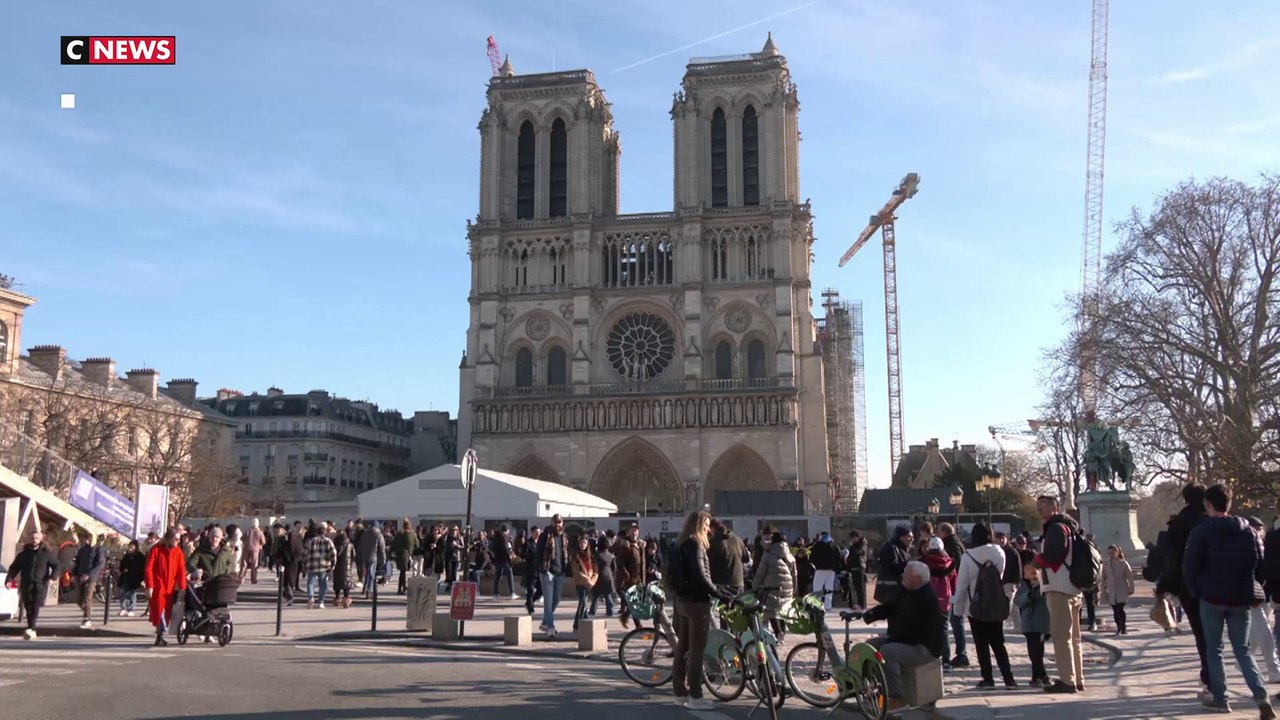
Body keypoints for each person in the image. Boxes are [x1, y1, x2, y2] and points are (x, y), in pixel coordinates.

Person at [1184, 484, 1275, 717]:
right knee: (1243, 650)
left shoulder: (1202, 531)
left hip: (1212, 597)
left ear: (1208, 504)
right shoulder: (1249, 531)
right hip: (1240, 597)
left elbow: (1190, 566)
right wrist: (1251, 585)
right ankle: (1261, 696)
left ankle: (1221, 697)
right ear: (1230, 503)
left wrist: (1197, 589)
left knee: (1214, 649)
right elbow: (1261, 565)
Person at [861, 561, 947, 713]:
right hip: (908, 640)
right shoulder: (910, 590)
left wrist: (892, 639)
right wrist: (870, 615)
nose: (902, 575)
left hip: (924, 647)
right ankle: (876, 689)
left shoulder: (925, 598)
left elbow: (912, 630)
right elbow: (891, 606)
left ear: (917, 578)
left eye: (906, 573)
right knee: (870, 645)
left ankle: (897, 698)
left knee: (888, 651)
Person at [671, 511, 735, 711]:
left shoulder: (682, 543)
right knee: (697, 649)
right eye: (706, 524)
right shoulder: (697, 545)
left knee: (683, 647)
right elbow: (700, 575)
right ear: (698, 525)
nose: (708, 528)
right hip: (698, 603)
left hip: (682, 601)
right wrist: (720, 594)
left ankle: (680, 693)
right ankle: (695, 696)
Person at [1157, 483, 1211, 696]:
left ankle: (1210, 679)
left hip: (1188, 585)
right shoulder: (1211, 520)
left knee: (1202, 634)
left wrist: (1164, 586)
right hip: (1217, 584)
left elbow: (1171, 558)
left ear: (1186, 499)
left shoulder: (1179, 523)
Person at [953, 523, 1015, 689]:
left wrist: (957, 609)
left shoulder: (968, 556)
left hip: (976, 604)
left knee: (981, 644)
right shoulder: (999, 552)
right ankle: (1009, 678)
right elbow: (999, 575)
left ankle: (988, 678)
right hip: (995, 602)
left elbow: (962, 585)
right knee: (998, 642)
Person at [1034, 495, 1085, 694]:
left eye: (1043, 504)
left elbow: (1054, 556)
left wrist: (1035, 563)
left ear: (1053, 507)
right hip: (1072, 587)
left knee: (1062, 637)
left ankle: (1067, 681)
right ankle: (1077, 678)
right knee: (1074, 638)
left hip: (1059, 587)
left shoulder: (1055, 528)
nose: (1039, 509)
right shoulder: (1070, 527)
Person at [6, 528, 59, 640]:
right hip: (26, 584)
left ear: (40, 539)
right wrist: (9, 579)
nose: (34, 540)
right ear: (29, 540)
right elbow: (13, 568)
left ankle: (32, 629)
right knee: (28, 607)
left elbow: (57, 566)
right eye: (33, 538)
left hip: (40, 584)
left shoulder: (46, 554)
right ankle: (31, 629)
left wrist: (52, 578)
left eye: (37, 538)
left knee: (35, 605)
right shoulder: (23, 555)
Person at [144, 528, 187, 647]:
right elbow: (149, 569)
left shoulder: (178, 552)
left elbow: (181, 571)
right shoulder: (156, 550)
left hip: (170, 587)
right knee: (159, 611)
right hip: (158, 586)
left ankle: (160, 635)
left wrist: (182, 588)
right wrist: (149, 585)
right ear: (169, 538)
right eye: (176, 539)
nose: (178, 541)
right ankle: (161, 633)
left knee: (166, 612)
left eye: (179, 539)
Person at [753, 531, 797, 642]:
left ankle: (778, 632)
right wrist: (794, 589)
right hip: (788, 588)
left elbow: (760, 573)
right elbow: (794, 574)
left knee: (771, 611)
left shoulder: (768, 554)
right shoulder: (790, 555)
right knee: (782, 610)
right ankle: (781, 633)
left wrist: (755, 586)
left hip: (772, 587)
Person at [1014, 559, 1052, 688]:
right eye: (1029, 571)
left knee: (1038, 651)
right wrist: (1029, 596)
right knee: (1033, 651)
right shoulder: (1023, 587)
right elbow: (1018, 601)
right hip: (1028, 623)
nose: (1032, 573)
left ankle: (1040, 676)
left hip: (1041, 622)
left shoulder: (1045, 585)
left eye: (1035, 570)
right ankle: (1040, 676)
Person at [937, 523, 969, 667]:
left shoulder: (952, 545)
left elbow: (955, 564)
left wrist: (946, 572)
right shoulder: (955, 542)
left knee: (956, 621)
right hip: (956, 586)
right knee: (956, 621)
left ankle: (961, 654)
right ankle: (961, 653)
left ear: (944, 532)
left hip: (955, 586)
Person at [922, 537, 956, 668]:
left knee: (928, 629)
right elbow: (954, 580)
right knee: (944, 629)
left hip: (928, 598)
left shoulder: (925, 562)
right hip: (945, 598)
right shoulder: (949, 562)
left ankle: (930, 658)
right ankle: (946, 661)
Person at [536, 514, 569, 639]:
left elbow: (565, 553)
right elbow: (538, 553)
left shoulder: (563, 536)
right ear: (551, 522)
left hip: (560, 572)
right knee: (548, 602)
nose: (558, 524)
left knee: (556, 599)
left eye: (560, 522)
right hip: (547, 572)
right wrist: (542, 569)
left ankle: (545, 622)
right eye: (556, 522)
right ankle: (550, 627)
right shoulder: (545, 535)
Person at [68, 532, 105, 629]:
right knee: (79, 599)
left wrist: (89, 574)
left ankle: (87, 618)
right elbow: (77, 563)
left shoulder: (98, 549)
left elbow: (100, 564)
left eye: (88, 539)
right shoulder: (82, 550)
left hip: (91, 577)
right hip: (80, 575)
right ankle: (87, 610)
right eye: (85, 539)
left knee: (87, 597)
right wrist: (74, 574)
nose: (86, 541)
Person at [613, 524, 646, 628]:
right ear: (629, 532)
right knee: (634, 602)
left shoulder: (640, 546)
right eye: (632, 531)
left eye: (636, 531)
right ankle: (638, 624)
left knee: (636, 603)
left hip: (639, 579)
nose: (634, 533)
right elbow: (619, 561)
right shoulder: (626, 545)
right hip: (630, 580)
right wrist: (626, 574)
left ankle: (625, 617)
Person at [1099, 545, 1134, 635]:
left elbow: (1130, 577)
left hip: (1122, 589)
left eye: (1113, 552)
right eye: (1109, 553)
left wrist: (1131, 588)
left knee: (1120, 609)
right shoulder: (1107, 564)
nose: (1111, 554)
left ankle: (1123, 627)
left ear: (1118, 552)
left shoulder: (1123, 563)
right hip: (1112, 591)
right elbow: (1103, 578)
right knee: (1115, 610)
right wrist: (1103, 589)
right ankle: (1118, 627)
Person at [876, 526, 913, 606]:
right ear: (901, 537)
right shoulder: (891, 548)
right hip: (891, 590)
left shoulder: (904, 550)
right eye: (909, 537)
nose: (911, 539)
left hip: (899, 591)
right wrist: (909, 564)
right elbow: (891, 567)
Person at [303, 524, 337, 610]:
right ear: (324, 532)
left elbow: (304, 553)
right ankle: (321, 601)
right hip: (323, 565)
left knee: (310, 583)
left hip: (311, 565)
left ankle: (311, 598)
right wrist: (333, 564)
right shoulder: (328, 541)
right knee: (322, 584)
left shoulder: (310, 541)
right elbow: (333, 553)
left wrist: (304, 564)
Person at [996, 532, 1022, 633]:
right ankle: (1018, 625)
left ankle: (1000, 625)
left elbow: (1018, 567)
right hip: (1004, 581)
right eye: (999, 539)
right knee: (1012, 605)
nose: (1001, 540)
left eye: (1003, 538)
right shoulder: (1001, 551)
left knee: (1007, 604)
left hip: (1010, 581)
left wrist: (1018, 581)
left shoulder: (1011, 551)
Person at [571, 536, 597, 631]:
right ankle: (577, 624)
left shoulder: (590, 557)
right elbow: (577, 571)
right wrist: (588, 581)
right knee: (582, 601)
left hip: (589, 583)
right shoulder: (576, 556)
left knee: (586, 603)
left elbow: (595, 570)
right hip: (580, 583)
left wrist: (593, 580)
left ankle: (585, 622)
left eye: (585, 543)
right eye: (581, 543)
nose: (583, 545)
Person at [810, 532, 841, 610]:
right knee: (829, 589)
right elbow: (839, 558)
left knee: (817, 588)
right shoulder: (834, 546)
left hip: (820, 570)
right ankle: (828, 606)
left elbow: (812, 557)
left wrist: (816, 565)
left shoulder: (817, 546)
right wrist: (836, 568)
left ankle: (817, 605)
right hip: (831, 571)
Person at [357, 521, 387, 597]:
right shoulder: (378, 535)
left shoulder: (364, 534)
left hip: (364, 556)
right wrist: (383, 559)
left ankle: (364, 588)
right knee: (371, 574)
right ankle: (368, 590)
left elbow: (360, 545)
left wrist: (359, 555)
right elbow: (382, 548)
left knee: (366, 573)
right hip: (373, 556)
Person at [116, 540, 147, 617]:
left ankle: (131, 609)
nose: (130, 548)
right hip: (125, 577)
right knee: (122, 592)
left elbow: (140, 567)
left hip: (134, 578)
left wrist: (130, 570)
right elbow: (122, 565)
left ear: (136, 547)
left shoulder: (140, 556)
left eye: (132, 546)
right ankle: (123, 608)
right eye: (129, 546)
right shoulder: (126, 555)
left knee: (131, 593)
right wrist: (122, 570)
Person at [590, 537, 616, 617]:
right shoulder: (611, 556)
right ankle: (610, 611)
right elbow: (614, 568)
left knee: (595, 596)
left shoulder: (596, 555)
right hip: (608, 576)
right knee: (607, 595)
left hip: (598, 577)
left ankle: (592, 611)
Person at [332, 528, 357, 608]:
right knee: (346, 583)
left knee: (337, 583)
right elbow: (354, 556)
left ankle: (337, 598)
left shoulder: (334, 543)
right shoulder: (350, 544)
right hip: (347, 566)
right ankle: (346, 600)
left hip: (337, 566)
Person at [392, 518, 418, 595]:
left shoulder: (399, 534)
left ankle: (401, 587)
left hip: (399, 556)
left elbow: (393, 544)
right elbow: (417, 544)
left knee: (402, 572)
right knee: (403, 573)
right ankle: (401, 588)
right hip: (407, 556)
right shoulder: (412, 534)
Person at [522, 525, 543, 615]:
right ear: (532, 533)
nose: (538, 534)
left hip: (539, 571)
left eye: (539, 532)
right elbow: (523, 554)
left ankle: (528, 603)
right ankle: (531, 609)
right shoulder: (528, 543)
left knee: (540, 590)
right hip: (530, 570)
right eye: (536, 532)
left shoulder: (541, 543)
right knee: (530, 591)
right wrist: (532, 555)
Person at [491, 525, 516, 600]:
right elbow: (506, 549)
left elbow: (493, 548)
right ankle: (512, 592)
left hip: (497, 560)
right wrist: (509, 556)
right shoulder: (504, 538)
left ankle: (496, 593)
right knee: (509, 575)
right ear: (506, 531)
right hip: (505, 560)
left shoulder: (495, 538)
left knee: (497, 577)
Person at [846, 530, 869, 611]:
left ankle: (862, 604)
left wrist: (852, 548)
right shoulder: (854, 545)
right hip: (853, 567)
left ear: (858, 537)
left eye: (853, 538)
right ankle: (859, 603)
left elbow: (859, 552)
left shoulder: (863, 544)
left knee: (860, 587)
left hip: (860, 566)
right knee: (856, 587)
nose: (852, 540)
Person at [242, 519, 266, 584]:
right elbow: (263, 542)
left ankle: (241, 578)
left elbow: (242, 538)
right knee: (254, 565)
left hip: (246, 548)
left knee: (244, 564)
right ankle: (254, 579)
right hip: (255, 550)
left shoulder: (247, 531)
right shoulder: (260, 532)